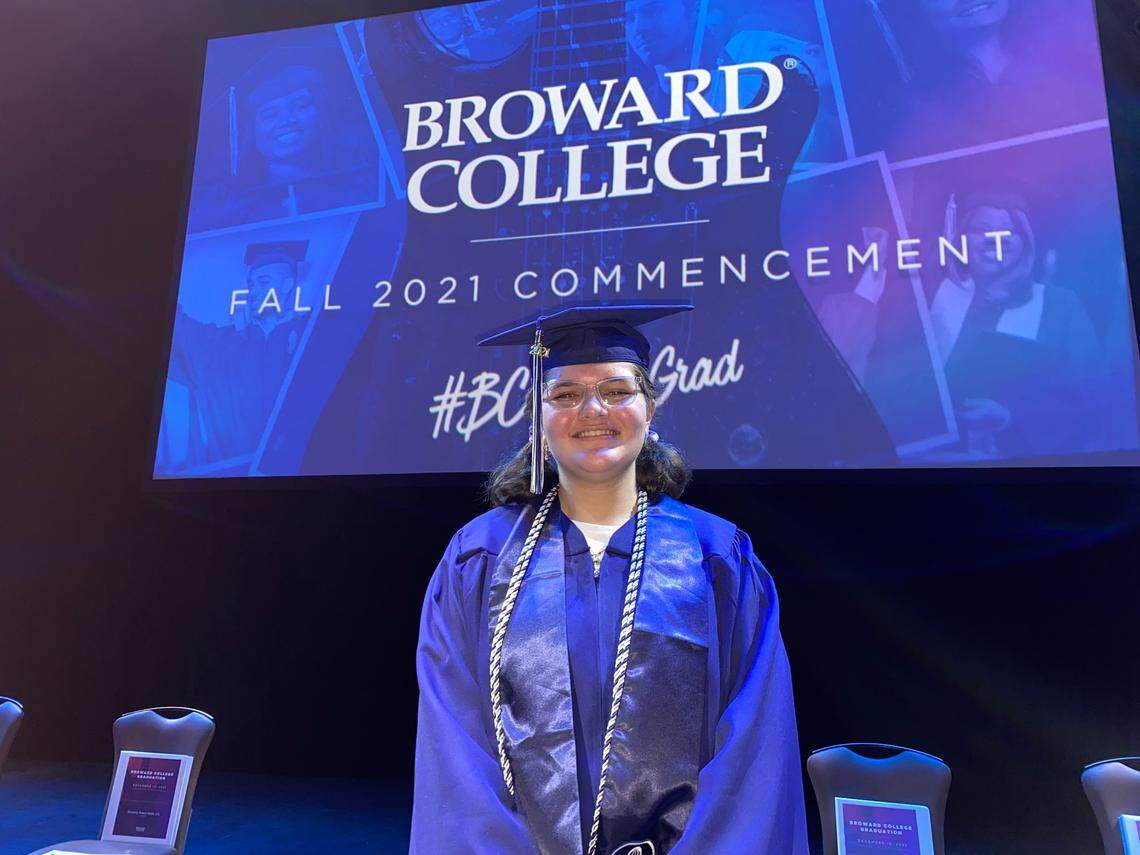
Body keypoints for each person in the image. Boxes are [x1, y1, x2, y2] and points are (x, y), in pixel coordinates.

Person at [411, 303, 809, 854]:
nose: (593, 409)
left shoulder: (717, 559)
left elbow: (755, 750)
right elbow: (454, 747)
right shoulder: (478, 559)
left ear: (650, 409)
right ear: (539, 417)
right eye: (566, 394)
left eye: (617, 391)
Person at [928, 192, 1102, 458]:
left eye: (1009, 230)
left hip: (1027, 475)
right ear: (961, 239)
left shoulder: (1059, 306)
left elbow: (1091, 395)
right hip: (932, 469)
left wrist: (1010, 417)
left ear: (1026, 240)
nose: (995, 240)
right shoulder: (937, 298)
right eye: (981, 229)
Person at [160, 240, 311, 471]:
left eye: (264, 282)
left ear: (288, 284)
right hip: (233, 479)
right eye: (251, 284)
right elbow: (177, 327)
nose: (254, 292)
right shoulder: (219, 345)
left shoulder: (311, 338)